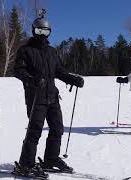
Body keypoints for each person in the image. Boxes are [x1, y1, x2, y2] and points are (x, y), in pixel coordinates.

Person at [14, 12, 84, 178]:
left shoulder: (52, 51)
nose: (42, 35)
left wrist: (72, 79)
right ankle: (26, 164)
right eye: (39, 31)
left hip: (52, 96)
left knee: (57, 129)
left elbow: (58, 71)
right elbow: (18, 70)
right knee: (35, 130)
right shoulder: (25, 50)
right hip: (36, 97)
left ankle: (51, 159)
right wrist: (32, 79)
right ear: (33, 31)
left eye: (45, 32)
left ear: (49, 33)